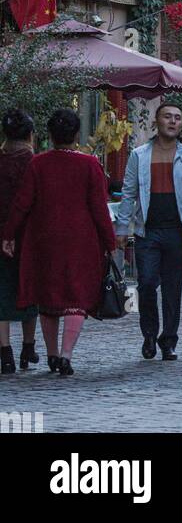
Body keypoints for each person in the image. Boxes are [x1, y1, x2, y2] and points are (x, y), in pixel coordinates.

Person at [1, 108, 115, 377]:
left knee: (48, 297)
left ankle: (51, 353)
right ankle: (66, 354)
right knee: (75, 296)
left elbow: (22, 203)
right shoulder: (89, 165)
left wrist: (8, 234)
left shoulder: (37, 164)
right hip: (80, 238)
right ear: (76, 135)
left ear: (49, 136)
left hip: (43, 238)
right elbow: (99, 207)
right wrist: (109, 241)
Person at [115, 100, 182, 361]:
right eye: (167, 116)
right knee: (145, 285)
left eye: (177, 117)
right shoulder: (139, 155)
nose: (173, 121)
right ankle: (148, 335)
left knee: (172, 288)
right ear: (157, 121)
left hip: (177, 231)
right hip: (148, 231)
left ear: (181, 123)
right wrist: (122, 228)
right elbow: (129, 193)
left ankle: (169, 340)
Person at [0, 109, 38, 372]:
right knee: (28, 289)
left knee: (1, 292)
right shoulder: (34, 162)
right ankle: (28, 346)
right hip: (29, 233)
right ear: (30, 135)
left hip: (0, 233)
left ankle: (5, 352)